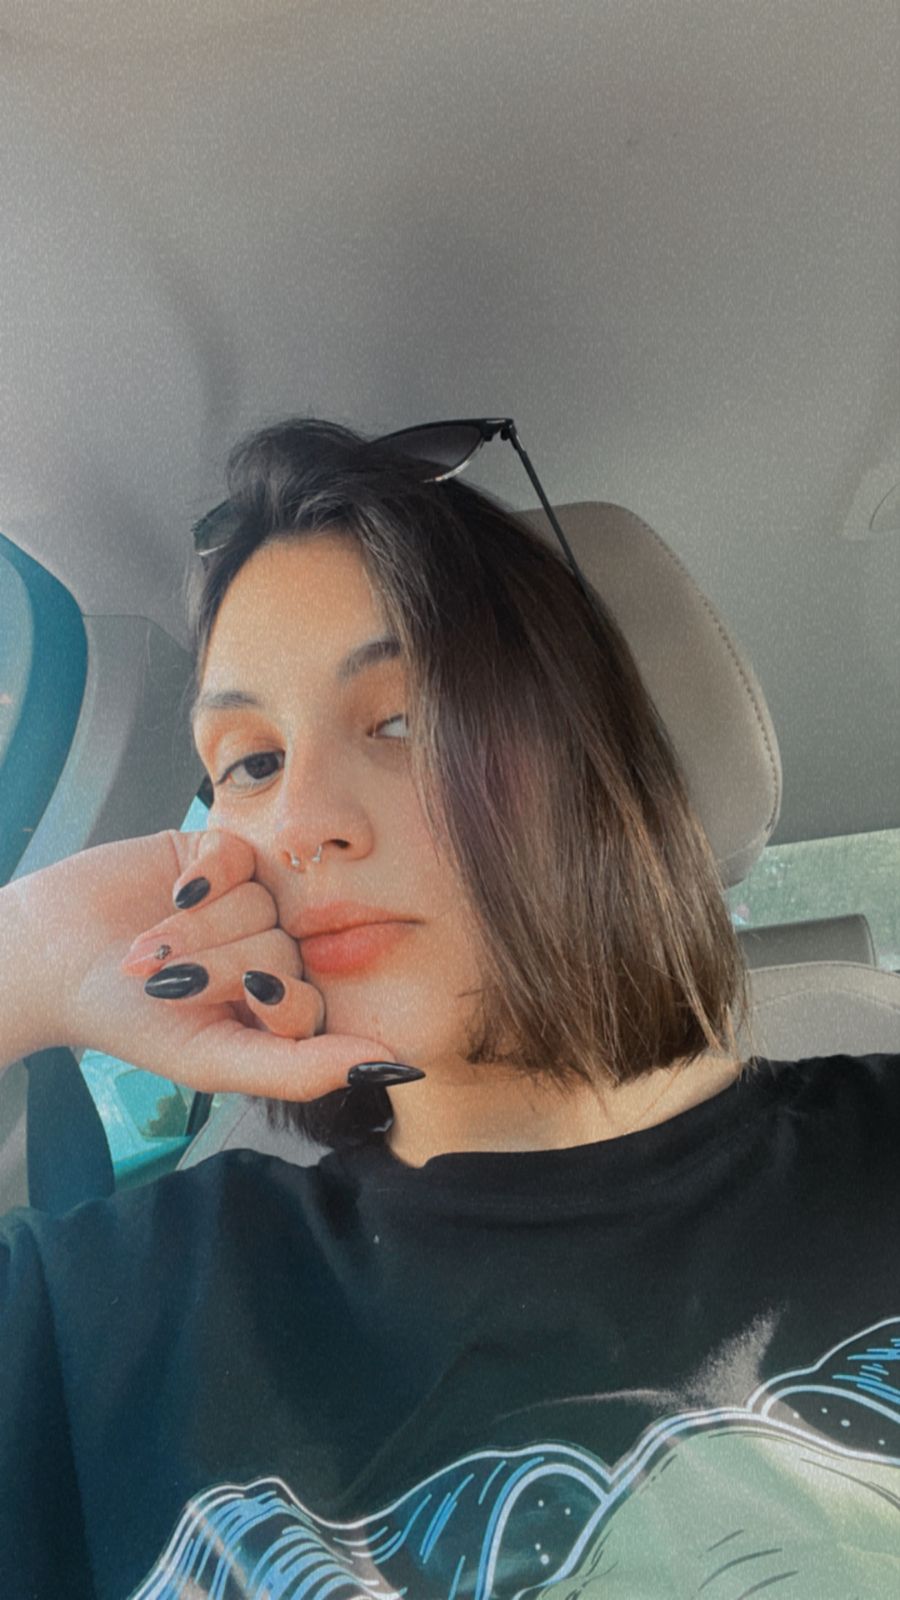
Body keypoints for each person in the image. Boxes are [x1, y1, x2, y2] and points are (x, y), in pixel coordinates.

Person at [0, 418, 897, 1598]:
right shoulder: (99, 1313)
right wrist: (22, 955)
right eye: (251, 762)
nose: (301, 819)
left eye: (401, 719)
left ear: (599, 766)